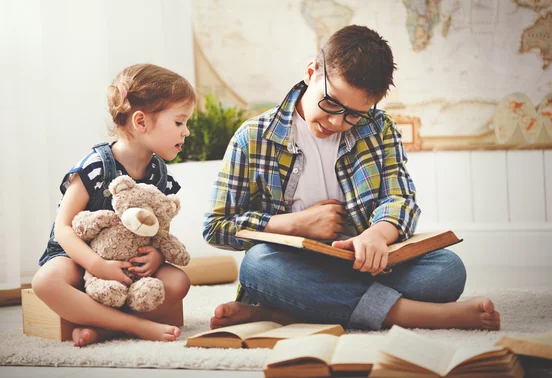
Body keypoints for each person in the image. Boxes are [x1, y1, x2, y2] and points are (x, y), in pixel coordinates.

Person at [203, 25, 501, 332]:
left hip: (365, 268)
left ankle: (289, 313)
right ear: (311, 72)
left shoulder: (378, 127)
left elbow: (400, 199)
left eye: (353, 114)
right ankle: (407, 314)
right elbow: (216, 226)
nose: (336, 122)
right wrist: (296, 224)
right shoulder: (253, 137)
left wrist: (377, 235)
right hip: (294, 266)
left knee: (447, 270)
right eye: (331, 104)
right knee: (258, 266)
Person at [32, 64, 195, 347]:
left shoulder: (160, 175)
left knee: (178, 282)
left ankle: (103, 330)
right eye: (179, 122)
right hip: (80, 257)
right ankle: (133, 326)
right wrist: (98, 265)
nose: (187, 131)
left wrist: (156, 256)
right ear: (141, 121)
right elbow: (63, 229)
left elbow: (160, 232)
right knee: (45, 282)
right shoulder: (95, 167)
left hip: (129, 262)